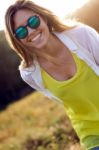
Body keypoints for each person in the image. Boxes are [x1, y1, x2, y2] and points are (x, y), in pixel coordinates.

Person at [4, 0, 99, 150]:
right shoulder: (29, 74)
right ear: (18, 40)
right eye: (21, 31)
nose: (30, 31)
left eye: (33, 21)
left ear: (43, 18)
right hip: (91, 134)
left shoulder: (81, 35)